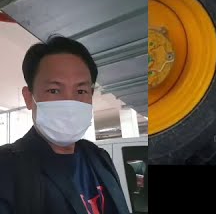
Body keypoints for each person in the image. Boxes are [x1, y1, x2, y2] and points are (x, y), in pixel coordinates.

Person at [0, 36, 129, 214]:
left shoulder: (99, 157)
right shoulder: (7, 167)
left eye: (81, 91)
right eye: (54, 90)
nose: (70, 103)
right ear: (29, 98)